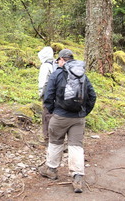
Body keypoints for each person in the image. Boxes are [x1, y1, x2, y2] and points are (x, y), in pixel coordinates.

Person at [38, 49, 96, 193]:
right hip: (78, 118)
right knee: (76, 146)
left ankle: (51, 170)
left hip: (60, 116)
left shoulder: (57, 73)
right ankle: (77, 178)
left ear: (63, 60)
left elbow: (48, 95)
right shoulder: (82, 75)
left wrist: (53, 111)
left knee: (55, 142)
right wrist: (84, 112)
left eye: (59, 60)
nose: (58, 62)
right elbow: (92, 96)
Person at [38, 46, 55, 144]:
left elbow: (43, 82)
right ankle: (56, 138)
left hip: (48, 94)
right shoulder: (55, 64)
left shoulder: (45, 66)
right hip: (57, 95)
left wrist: (41, 93)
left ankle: (47, 138)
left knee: (46, 115)